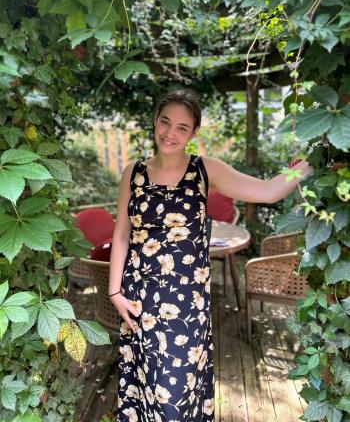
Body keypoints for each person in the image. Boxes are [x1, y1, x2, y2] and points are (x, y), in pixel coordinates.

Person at [109, 89, 313, 422]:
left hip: (186, 304)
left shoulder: (206, 170)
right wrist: (114, 292)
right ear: (154, 120)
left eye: (182, 127)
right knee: (144, 383)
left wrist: (310, 162)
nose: (170, 133)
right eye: (165, 122)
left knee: (176, 391)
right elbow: (121, 234)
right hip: (139, 298)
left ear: (193, 133)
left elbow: (267, 191)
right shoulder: (133, 172)